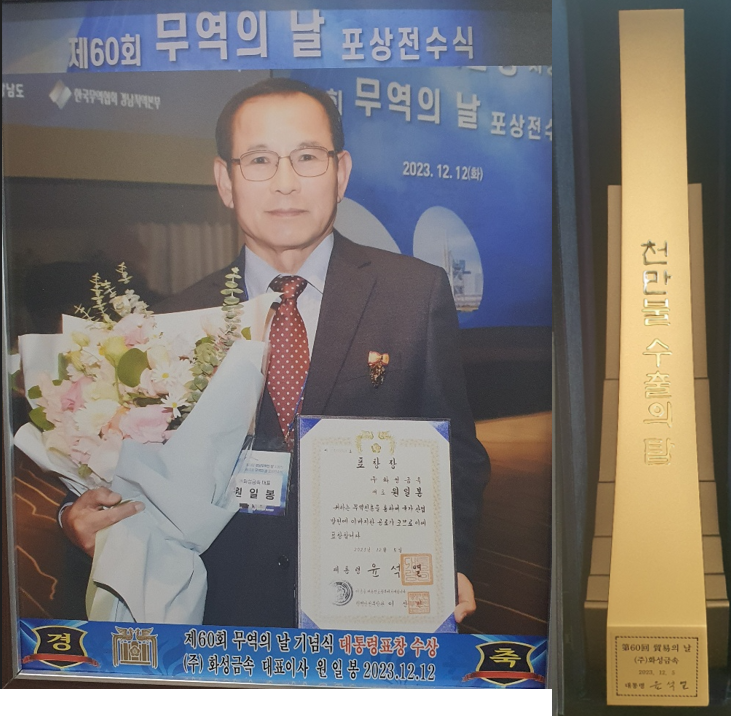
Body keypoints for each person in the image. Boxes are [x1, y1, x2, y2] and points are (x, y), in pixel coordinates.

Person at [60, 78, 490, 627]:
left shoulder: (414, 294)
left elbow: (457, 454)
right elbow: (132, 475)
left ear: (341, 172)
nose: (285, 183)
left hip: (370, 611)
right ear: (226, 180)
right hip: (220, 616)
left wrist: (451, 557)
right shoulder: (171, 324)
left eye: (307, 157)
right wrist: (73, 516)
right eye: (259, 160)